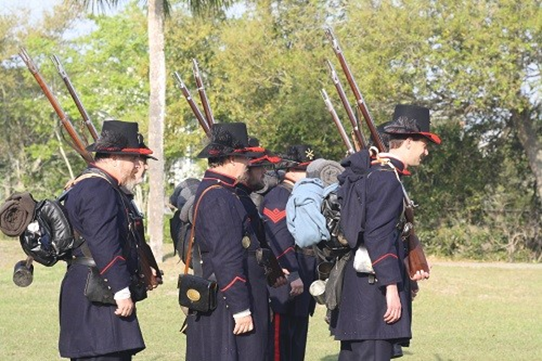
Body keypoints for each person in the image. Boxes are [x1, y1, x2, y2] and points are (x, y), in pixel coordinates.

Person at [330, 104, 441, 361]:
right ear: (410, 142)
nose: (426, 151)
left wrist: (406, 271)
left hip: (364, 293)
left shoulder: (377, 173)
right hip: (373, 296)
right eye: (424, 144)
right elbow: (378, 235)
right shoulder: (386, 178)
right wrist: (391, 287)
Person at [60, 120, 156, 360]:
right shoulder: (98, 188)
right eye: (133, 159)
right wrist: (121, 290)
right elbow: (104, 243)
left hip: (98, 289)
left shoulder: (101, 186)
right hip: (96, 294)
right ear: (114, 157)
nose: (138, 166)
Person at [185, 122, 272, 361]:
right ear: (232, 159)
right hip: (228, 301)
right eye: (244, 158)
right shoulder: (218, 197)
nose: (248, 164)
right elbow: (226, 257)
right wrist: (241, 308)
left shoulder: (223, 192)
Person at [262, 144, 318, 361]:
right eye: (304, 170)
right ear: (290, 170)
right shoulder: (279, 196)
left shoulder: (298, 194)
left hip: (301, 282)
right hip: (285, 285)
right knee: (280, 349)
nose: (308, 175)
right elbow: (278, 241)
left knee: (295, 349)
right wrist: (292, 274)